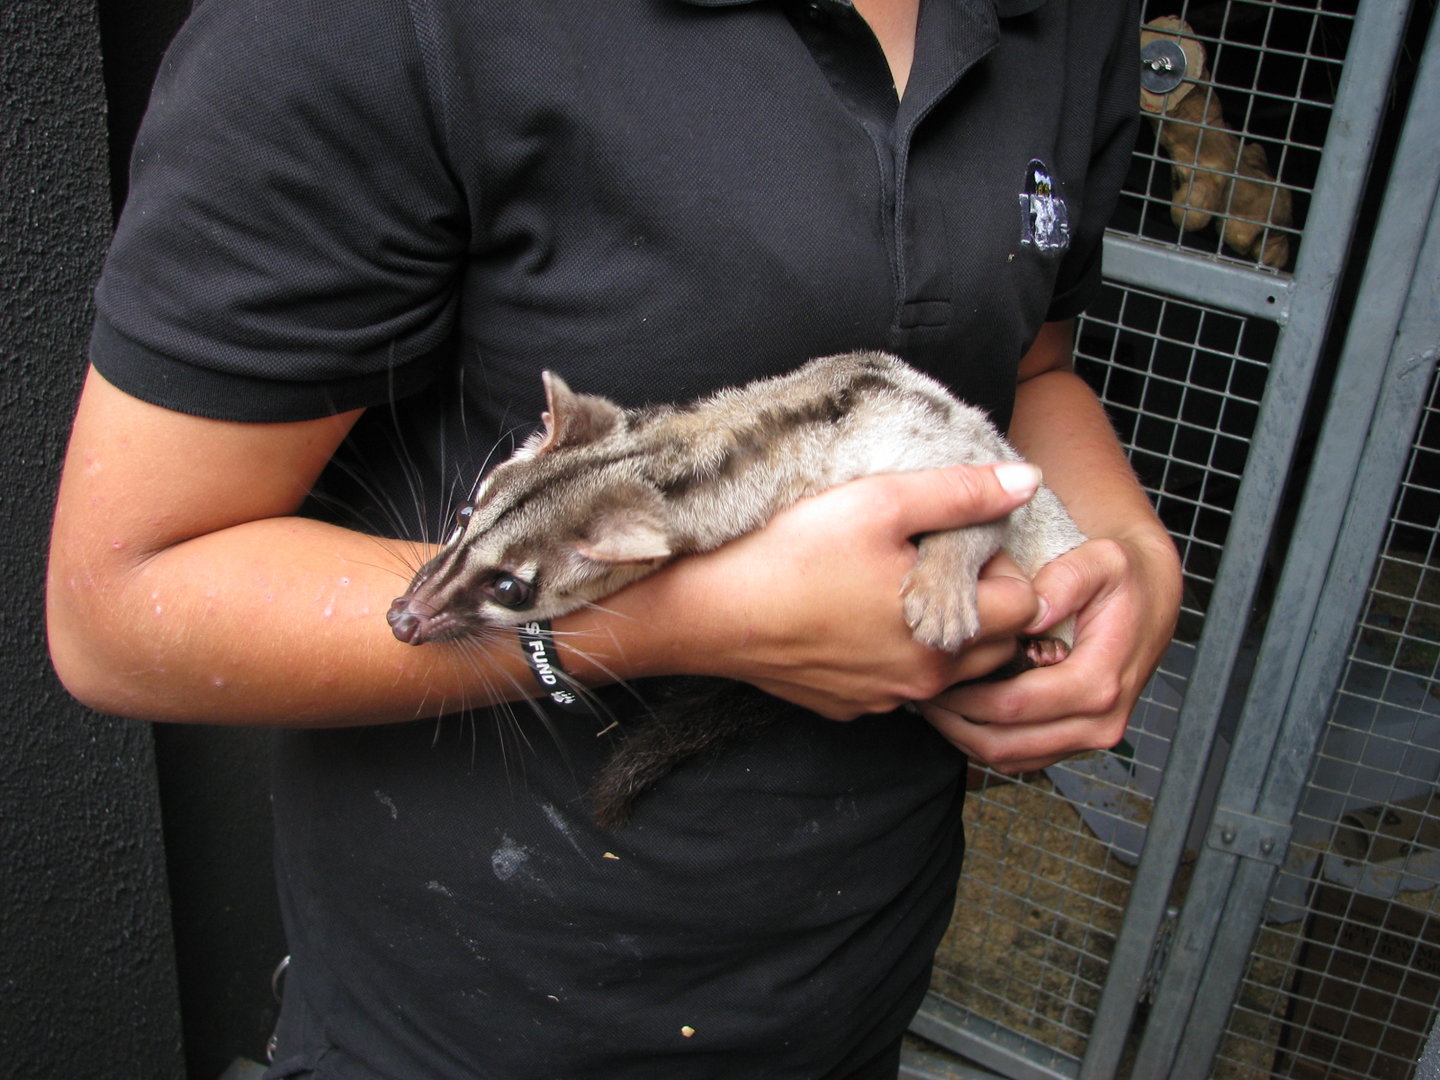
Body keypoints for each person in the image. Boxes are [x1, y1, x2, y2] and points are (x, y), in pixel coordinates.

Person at [47, 0, 1181, 1075]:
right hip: (476, 1017)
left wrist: (1121, 549)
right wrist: (702, 618)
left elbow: (1025, 366)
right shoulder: (371, 28)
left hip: (855, 974)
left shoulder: (1075, 18)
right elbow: (116, 611)